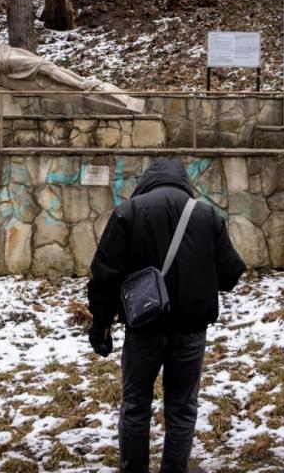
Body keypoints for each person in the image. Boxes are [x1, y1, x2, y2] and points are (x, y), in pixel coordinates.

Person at [87, 158, 247, 473]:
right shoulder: (206, 215)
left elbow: (104, 275)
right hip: (190, 331)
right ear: (183, 182)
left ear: (148, 181)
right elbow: (230, 275)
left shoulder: (127, 213)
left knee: (135, 406)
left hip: (143, 329)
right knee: (182, 408)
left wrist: (101, 323)